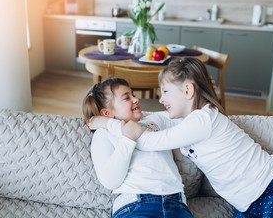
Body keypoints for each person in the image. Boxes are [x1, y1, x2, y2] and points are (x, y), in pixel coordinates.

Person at [97, 58, 273, 218]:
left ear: (188, 90)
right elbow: (152, 122)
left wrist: (109, 124)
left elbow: (145, 140)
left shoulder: (202, 120)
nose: (161, 100)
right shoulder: (189, 121)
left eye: (166, 92)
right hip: (246, 203)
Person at [82, 77, 194, 218]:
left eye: (133, 94)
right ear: (107, 113)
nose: (136, 99)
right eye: (126, 98)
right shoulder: (104, 133)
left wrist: (195, 92)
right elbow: (110, 180)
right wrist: (127, 139)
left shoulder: (156, 120)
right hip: (135, 204)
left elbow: (190, 117)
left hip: (176, 203)